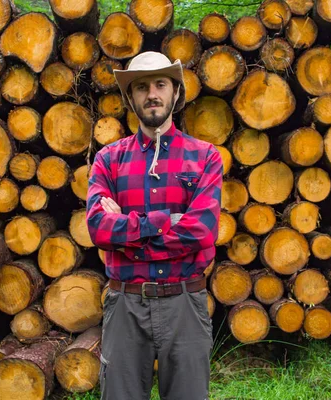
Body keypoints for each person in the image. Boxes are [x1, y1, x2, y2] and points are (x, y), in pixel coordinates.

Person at [86, 51, 223, 400]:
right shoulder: (109, 160)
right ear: (130, 97)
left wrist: (127, 232)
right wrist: (165, 222)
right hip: (125, 304)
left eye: (161, 84)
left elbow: (202, 231)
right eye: (142, 86)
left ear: (175, 93)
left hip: (185, 304)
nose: (152, 94)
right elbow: (99, 228)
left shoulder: (205, 156)